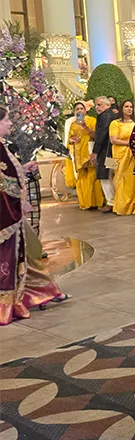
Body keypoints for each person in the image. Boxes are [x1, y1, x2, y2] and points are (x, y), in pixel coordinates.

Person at [0, 106, 68, 324]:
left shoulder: (3, 146)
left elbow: (9, 175)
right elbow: (4, 184)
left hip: (11, 213)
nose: (10, 123)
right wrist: (18, 201)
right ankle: (7, 303)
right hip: (6, 215)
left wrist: (23, 169)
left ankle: (46, 290)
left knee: (25, 256)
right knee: (10, 259)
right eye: (6, 119)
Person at [68, 102, 104, 210]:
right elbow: (69, 140)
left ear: (85, 110)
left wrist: (85, 127)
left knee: (93, 176)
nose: (79, 111)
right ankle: (86, 203)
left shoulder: (92, 121)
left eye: (81, 108)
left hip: (89, 152)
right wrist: (72, 140)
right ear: (74, 112)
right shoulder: (73, 124)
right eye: (77, 109)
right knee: (82, 178)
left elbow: (96, 136)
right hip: (78, 154)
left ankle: (97, 202)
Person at [108, 99, 135, 215]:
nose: (129, 109)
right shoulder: (115, 123)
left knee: (132, 179)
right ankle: (122, 207)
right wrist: (129, 143)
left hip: (133, 155)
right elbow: (113, 140)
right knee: (119, 179)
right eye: (126, 106)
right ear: (121, 108)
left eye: (131, 107)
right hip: (119, 155)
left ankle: (134, 206)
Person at [92, 96, 119, 213]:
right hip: (111, 152)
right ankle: (115, 201)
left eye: (99, 104)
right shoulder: (110, 115)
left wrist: (95, 152)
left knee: (106, 176)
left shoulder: (106, 116)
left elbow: (101, 136)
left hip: (106, 152)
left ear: (108, 105)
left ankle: (111, 202)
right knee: (112, 176)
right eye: (96, 105)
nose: (96, 107)